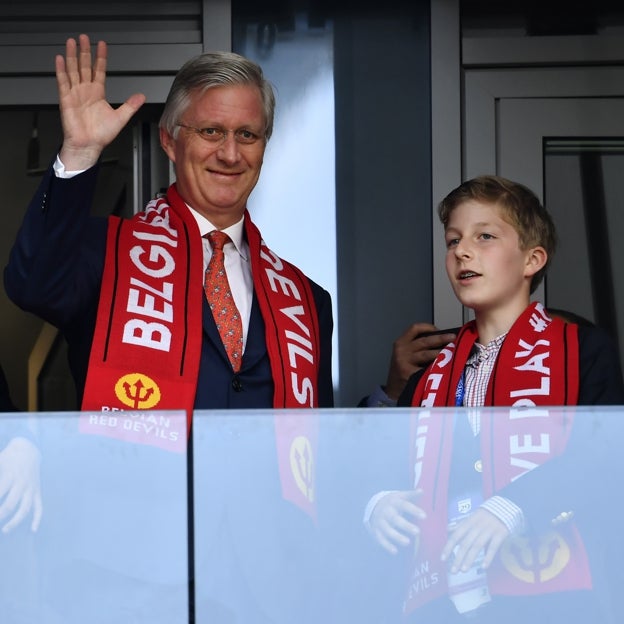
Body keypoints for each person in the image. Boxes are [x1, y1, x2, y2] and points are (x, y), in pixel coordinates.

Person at [4, 34, 333, 623]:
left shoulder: (307, 300)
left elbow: (319, 454)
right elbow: (33, 285)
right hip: (124, 573)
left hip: (265, 584)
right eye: (211, 131)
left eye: (248, 135)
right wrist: (77, 156)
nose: (230, 153)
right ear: (170, 140)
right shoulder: (109, 253)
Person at [366, 175, 624, 623]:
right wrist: (377, 502)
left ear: (532, 259)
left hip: (552, 598)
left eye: (485, 236)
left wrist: (516, 506)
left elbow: (606, 455)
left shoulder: (581, 348)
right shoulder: (430, 372)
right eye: (453, 240)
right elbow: (375, 464)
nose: (463, 251)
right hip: (441, 600)